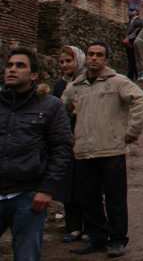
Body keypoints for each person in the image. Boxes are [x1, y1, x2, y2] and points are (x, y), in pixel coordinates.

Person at [62, 41, 143, 258]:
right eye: (91, 54)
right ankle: (96, 237)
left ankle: (118, 239)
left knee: (115, 198)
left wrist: (133, 130)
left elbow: (142, 101)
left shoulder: (117, 82)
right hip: (84, 150)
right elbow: (60, 108)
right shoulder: (76, 86)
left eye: (99, 55)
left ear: (105, 59)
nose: (94, 58)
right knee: (89, 198)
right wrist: (67, 132)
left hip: (111, 149)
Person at [1, 46, 73, 261]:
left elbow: (61, 149)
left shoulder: (51, 106)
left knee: (26, 256)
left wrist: (47, 189)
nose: (12, 70)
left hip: (28, 196)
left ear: (33, 75)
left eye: (20, 65)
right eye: (9, 65)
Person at [52, 46, 85, 244]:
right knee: (68, 184)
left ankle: (90, 225)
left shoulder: (88, 82)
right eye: (62, 62)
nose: (64, 65)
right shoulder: (59, 85)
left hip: (85, 138)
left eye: (68, 61)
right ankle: (73, 227)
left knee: (86, 183)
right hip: (64, 138)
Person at [122, 12, 143, 80]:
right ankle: (132, 74)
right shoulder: (130, 21)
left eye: (132, 10)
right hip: (129, 41)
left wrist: (129, 38)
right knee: (130, 58)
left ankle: (135, 74)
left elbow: (138, 31)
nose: (130, 12)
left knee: (135, 58)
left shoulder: (139, 21)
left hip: (134, 40)